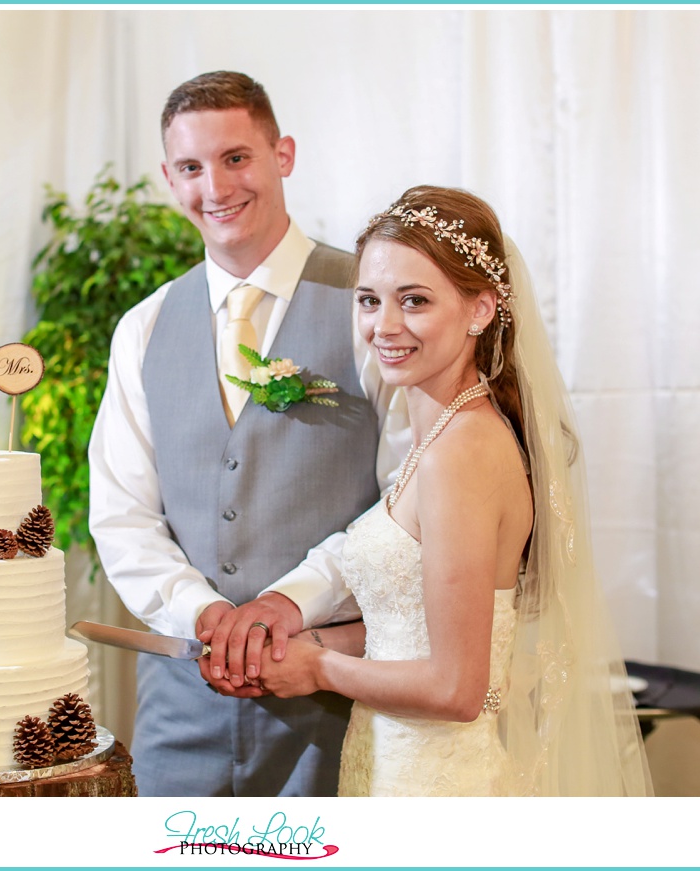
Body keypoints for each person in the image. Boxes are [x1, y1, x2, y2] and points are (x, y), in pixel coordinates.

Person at [255, 186, 653, 796]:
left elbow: (456, 688)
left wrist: (319, 669)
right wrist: (310, 639)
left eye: (414, 301)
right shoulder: (445, 432)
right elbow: (418, 623)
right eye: (369, 300)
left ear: (479, 310)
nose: (384, 325)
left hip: (435, 784)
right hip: (396, 760)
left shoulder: (461, 453)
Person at [88, 71, 408, 797]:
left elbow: (410, 500)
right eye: (192, 168)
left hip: (338, 698)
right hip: (180, 706)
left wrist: (294, 601)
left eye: (237, 158)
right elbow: (121, 512)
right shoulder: (142, 328)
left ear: (282, 154)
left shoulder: (372, 304)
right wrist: (202, 612)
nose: (216, 187)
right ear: (170, 179)